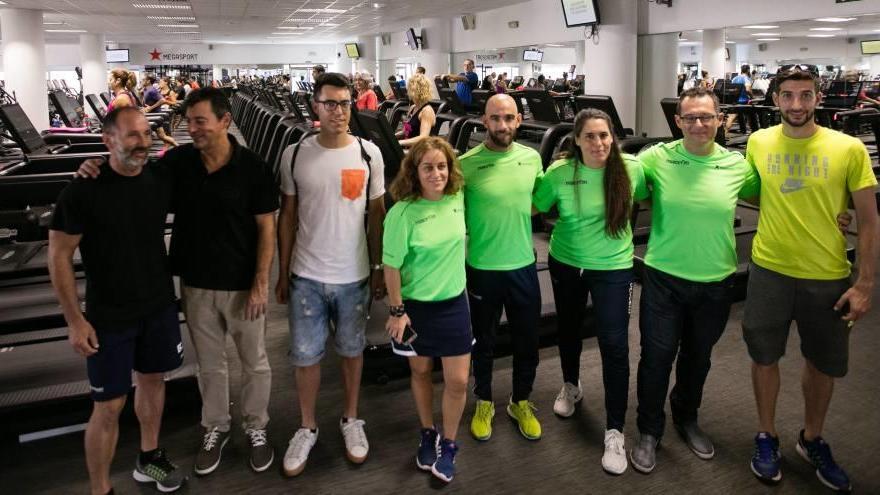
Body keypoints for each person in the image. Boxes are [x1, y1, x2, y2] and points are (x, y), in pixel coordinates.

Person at [744, 68, 878, 492]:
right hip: (768, 269)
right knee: (764, 357)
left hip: (828, 274)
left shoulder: (849, 148)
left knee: (823, 364)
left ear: (818, 99)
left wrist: (865, 283)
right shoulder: (758, 141)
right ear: (776, 99)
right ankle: (766, 435)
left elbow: (870, 221)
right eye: (788, 96)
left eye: (805, 96)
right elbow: (752, 191)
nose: (796, 105)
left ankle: (812, 438)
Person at [49, 106, 186, 495]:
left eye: (146, 134)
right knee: (109, 406)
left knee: (153, 381)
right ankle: (101, 489)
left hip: (157, 304)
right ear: (108, 139)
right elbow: (58, 256)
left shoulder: (159, 178)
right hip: (109, 315)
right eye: (132, 135)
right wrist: (75, 320)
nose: (142, 142)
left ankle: (149, 458)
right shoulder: (82, 189)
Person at [629, 87, 761, 474]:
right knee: (656, 358)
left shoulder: (738, 165)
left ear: (720, 119)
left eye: (706, 117)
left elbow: (776, 200)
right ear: (678, 122)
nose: (699, 124)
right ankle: (649, 430)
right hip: (663, 279)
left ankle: (686, 417)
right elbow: (622, 183)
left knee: (697, 359)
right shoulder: (656, 157)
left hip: (716, 281)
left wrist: (838, 214)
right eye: (690, 118)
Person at [275, 72, 386, 477]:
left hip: (353, 275)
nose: (338, 111)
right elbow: (287, 217)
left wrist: (377, 269)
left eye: (344, 103)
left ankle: (351, 418)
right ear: (315, 107)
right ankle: (306, 426)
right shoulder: (294, 154)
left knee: (352, 351)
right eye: (330, 103)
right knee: (305, 357)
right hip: (306, 274)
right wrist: (283, 271)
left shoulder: (369, 154)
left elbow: (376, 217)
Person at [532, 109, 649, 475]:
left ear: (612, 137)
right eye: (590, 137)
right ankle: (571, 385)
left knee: (614, 345)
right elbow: (535, 205)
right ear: (577, 141)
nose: (598, 143)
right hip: (566, 262)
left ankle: (614, 430)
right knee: (568, 330)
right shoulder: (560, 173)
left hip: (613, 267)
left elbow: (643, 199)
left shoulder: (632, 169)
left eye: (604, 136)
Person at [383, 137, 471, 483]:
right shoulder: (402, 212)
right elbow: (391, 266)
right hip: (415, 309)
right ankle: (427, 433)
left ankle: (449, 445)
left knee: (458, 381)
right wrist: (396, 310)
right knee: (420, 373)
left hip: (453, 304)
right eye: (428, 167)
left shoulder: (457, 198)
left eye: (442, 166)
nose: (436, 173)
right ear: (415, 172)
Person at [461, 94, 544, 442]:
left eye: (509, 118)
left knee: (528, 340)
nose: (503, 125)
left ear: (519, 121)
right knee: (484, 342)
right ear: (484, 121)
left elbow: (538, 204)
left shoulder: (532, 158)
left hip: (524, 266)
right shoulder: (465, 164)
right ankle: (484, 401)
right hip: (482, 267)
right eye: (496, 118)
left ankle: (520, 401)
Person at [107, 68, 177, 149]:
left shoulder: (121, 99)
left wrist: (150, 108)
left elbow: (126, 123)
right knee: (163, 137)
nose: (109, 82)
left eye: (110, 79)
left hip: (121, 139)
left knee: (163, 137)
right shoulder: (129, 94)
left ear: (118, 81)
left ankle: (172, 150)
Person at [398, 73, 436, 148]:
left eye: (409, 88)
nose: (407, 91)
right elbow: (405, 131)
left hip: (420, 151)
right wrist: (390, 137)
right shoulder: (412, 107)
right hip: (410, 148)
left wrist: (400, 142)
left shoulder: (427, 110)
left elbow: (423, 138)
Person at [725, 64, 753, 131]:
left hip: (734, 101)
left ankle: (742, 130)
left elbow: (731, 90)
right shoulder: (746, 78)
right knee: (753, 113)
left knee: (732, 116)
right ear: (748, 70)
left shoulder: (734, 78)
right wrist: (752, 96)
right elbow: (748, 89)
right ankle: (754, 131)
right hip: (743, 102)